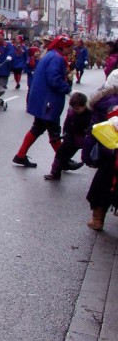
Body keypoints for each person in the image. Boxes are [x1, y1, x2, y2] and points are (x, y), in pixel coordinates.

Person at [13, 34, 75, 168]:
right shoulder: (56, 58)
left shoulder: (51, 55)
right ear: (63, 47)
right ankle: (63, 161)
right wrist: (68, 90)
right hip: (49, 100)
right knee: (53, 131)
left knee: (37, 128)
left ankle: (21, 155)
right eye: (70, 47)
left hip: (43, 99)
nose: (71, 49)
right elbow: (54, 79)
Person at [85, 71, 118, 230]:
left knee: (102, 186)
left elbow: (92, 133)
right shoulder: (109, 104)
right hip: (112, 152)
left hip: (109, 153)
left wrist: (88, 156)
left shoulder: (103, 101)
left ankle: (98, 219)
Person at [44, 91, 92, 181]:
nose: (76, 110)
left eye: (78, 108)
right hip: (72, 137)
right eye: (74, 108)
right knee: (60, 154)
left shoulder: (91, 114)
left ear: (85, 105)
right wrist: (66, 135)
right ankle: (55, 173)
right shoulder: (71, 113)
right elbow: (66, 125)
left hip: (86, 138)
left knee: (92, 156)